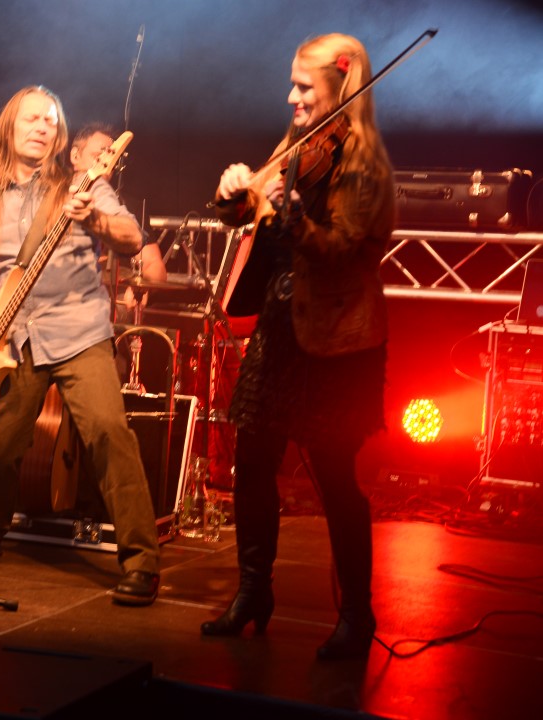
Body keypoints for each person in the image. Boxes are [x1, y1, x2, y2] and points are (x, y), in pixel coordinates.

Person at [0, 86, 161, 606]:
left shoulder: (83, 185)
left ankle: (142, 560)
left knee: (108, 433)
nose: (43, 127)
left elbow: (130, 236)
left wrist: (92, 218)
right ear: (9, 127)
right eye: (32, 118)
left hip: (80, 331)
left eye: (51, 121)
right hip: (16, 341)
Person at [201, 33, 395, 660]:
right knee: (253, 461)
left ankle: (357, 615)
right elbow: (248, 211)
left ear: (341, 87)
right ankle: (253, 591)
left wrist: (289, 215)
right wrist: (234, 191)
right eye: (292, 84)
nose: (292, 96)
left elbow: (341, 251)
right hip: (282, 326)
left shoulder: (364, 164)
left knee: (335, 477)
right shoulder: (297, 146)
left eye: (305, 86)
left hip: (338, 338)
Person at [70, 123, 167, 323]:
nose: (108, 163)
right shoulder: (53, 193)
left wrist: (142, 288)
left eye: (112, 158)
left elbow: (154, 264)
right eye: (98, 156)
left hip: (109, 304)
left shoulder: (128, 205)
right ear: (75, 156)